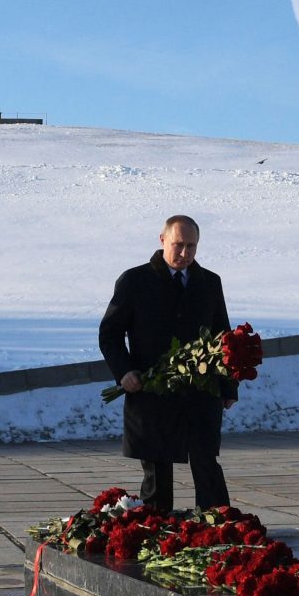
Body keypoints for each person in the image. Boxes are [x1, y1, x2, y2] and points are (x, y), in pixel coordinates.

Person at [98, 215, 235, 511]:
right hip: (152, 392)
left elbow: (222, 336)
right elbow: (110, 333)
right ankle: (158, 535)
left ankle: (219, 530)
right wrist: (124, 372)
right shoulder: (134, 281)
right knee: (157, 472)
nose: (185, 253)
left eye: (191, 246)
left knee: (206, 463)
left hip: (200, 391)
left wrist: (228, 386)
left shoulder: (210, 283)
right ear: (162, 241)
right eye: (178, 245)